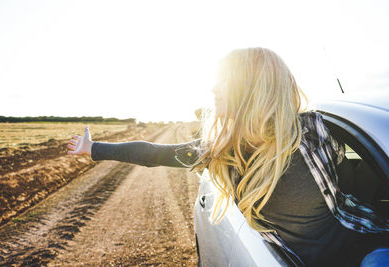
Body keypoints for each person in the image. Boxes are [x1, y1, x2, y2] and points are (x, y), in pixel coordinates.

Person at [67, 47, 388, 266]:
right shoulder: (218, 151)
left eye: (223, 83)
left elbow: (355, 176)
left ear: (253, 90)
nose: (213, 90)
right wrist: (93, 149)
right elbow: (153, 153)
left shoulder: (315, 129)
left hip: (363, 245)